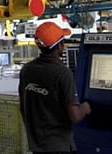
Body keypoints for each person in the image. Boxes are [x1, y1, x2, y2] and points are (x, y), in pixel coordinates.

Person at [18, 21, 91, 153]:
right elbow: (75, 116)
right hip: (59, 146)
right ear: (59, 45)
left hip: (37, 145)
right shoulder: (62, 73)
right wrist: (85, 108)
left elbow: (23, 106)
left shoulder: (27, 70)